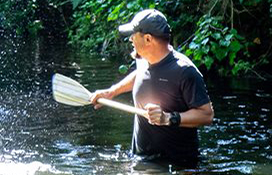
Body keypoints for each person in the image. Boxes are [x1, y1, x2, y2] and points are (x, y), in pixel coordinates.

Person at [90, 9, 214, 163]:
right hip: (141, 160)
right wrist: (111, 92)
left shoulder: (185, 71)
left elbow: (207, 115)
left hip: (175, 167)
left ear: (148, 39)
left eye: (133, 35)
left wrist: (168, 118)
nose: (130, 40)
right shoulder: (143, 60)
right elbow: (140, 75)